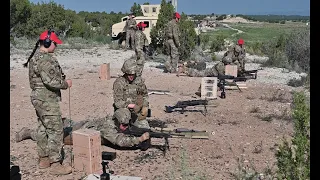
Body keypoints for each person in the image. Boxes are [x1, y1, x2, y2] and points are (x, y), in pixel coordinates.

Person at [22, 30, 72, 175]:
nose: (56, 46)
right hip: (47, 98)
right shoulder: (45, 59)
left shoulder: (36, 57)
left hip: (38, 98)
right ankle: (55, 163)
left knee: (42, 128)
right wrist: (65, 84)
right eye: (55, 43)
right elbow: (51, 81)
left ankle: (44, 159)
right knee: (56, 130)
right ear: (48, 43)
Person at [15, 113, 150, 148]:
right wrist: (139, 139)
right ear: (117, 121)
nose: (125, 128)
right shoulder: (109, 128)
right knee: (55, 138)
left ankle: (64, 122)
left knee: (68, 126)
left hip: (85, 126)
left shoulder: (117, 121)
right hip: (82, 133)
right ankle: (29, 133)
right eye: (123, 125)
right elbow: (119, 141)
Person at [113, 59, 150, 129]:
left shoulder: (139, 82)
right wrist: (132, 106)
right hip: (123, 110)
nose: (131, 76)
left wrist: (145, 106)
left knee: (145, 128)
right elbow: (118, 103)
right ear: (125, 73)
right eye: (129, 74)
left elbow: (145, 95)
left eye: (133, 74)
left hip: (136, 112)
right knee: (124, 120)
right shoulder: (119, 83)